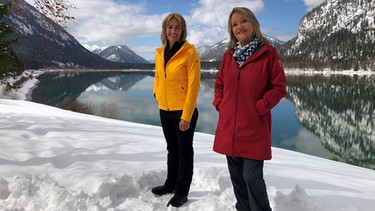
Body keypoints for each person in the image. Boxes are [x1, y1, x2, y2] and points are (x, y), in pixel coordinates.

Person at [212, 7, 287, 211]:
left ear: (253, 23)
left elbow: (279, 87)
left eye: (243, 21)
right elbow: (219, 85)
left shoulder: (268, 53)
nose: (239, 27)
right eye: (234, 24)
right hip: (230, 128)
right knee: (237, 179)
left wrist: (260, 107)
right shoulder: (228, 56)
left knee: (251, 177)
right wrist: (220, 103)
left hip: (254, 127)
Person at [151, 13, 201, 208]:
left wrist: (186, 115)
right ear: (165, 29)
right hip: (164, 108)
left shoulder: (190, 53)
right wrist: (157, 93)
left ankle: (182, 192)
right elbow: (157, 76)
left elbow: (194, 86)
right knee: (172, 149)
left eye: (177, 27)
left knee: (185, 151)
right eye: (170, 27)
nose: (173, 31)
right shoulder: (160, 52)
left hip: (183, 111)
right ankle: (170, 184)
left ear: (182, 30)